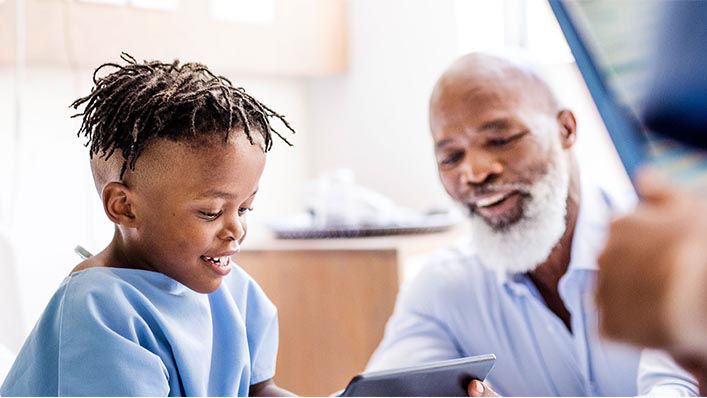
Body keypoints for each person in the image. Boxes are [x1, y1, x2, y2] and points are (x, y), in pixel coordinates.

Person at [0, 54, 296, 396]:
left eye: (244, 208)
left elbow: (259, 391)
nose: (236, 229)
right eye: (211, 212)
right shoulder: (99, 308)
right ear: (125, 207)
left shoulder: (234, 290)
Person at [365, 52, 644, 396]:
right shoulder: (443, 290)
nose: (475, 172)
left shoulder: (668, 253)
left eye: (500, 140)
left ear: (565, 130)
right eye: (451, 157)